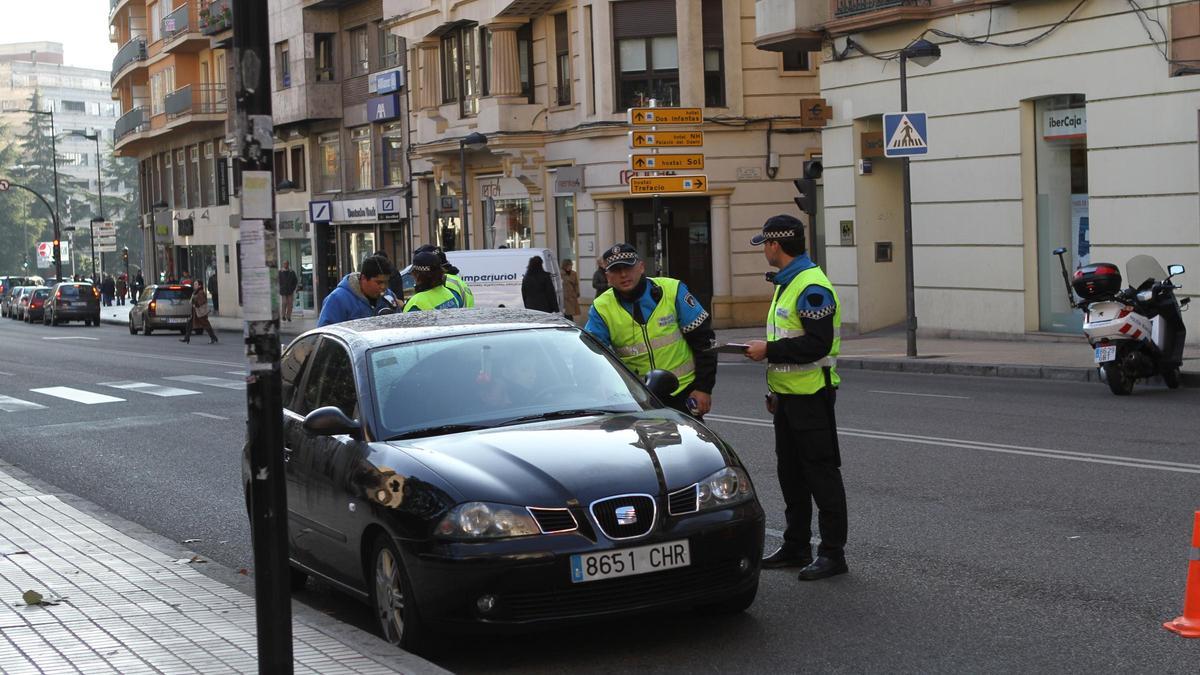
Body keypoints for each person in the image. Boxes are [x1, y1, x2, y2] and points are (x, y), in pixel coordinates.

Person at [744, 215, 848, 581]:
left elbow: (816, 344)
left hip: (812, 398)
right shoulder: (787, 283)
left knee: (821, 476)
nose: (765, 252)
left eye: (765, 246)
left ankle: (833, 553)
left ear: (775, 245)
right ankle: (796, 545)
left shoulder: (810, 286)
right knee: (791, 476)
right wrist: (774, 391)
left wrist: (768, 349)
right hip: (788, 399)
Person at [584, 244, 716, 418]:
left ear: (641, 267)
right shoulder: (601, 308)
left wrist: (703, 389)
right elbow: (591, 357)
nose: (623, 275)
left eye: (628, 267)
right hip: (636, 400)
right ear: (607, 276)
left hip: (683, 393)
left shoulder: (672, 290)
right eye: (616, 270)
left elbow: (705, 342)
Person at [318, 255, 394, 326]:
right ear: (364, 278)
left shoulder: (389, 296)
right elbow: (325, 332)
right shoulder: (337, 299)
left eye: (386, 282)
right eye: (379, 282)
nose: (383, 287)